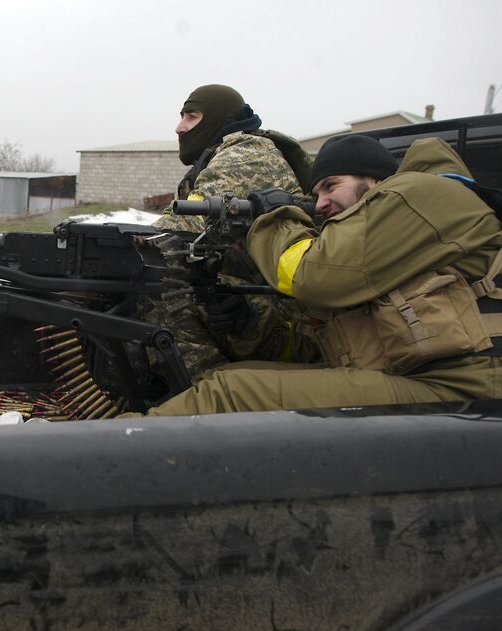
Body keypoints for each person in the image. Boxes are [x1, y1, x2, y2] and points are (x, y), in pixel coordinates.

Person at [143, 134, 502, 416]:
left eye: (331, 186)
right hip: (416, 378)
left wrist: (276, 216)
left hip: (462, 387)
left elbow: (310, 276)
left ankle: (95, 460)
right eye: (316, 194)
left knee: (228, 396)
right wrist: (248, 324)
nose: (320, 205)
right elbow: (322, 348)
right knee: (228, 378)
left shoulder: (420, 193)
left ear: (374, 181)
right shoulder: (385, 249)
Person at [143, 84, 317, 381]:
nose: (179, 127)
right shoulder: (219, 156)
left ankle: (202, 399)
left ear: (219, 121)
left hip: (294, 319)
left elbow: (179, 230)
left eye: (191, 117)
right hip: (259, 300)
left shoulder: (248, 153)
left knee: (162, 290)